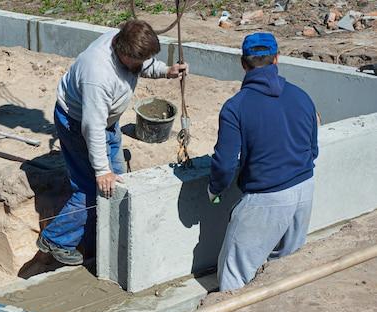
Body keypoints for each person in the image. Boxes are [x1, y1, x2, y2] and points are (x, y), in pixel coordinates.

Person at [37, 19, 189, 265]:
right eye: (138, 61)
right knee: (91, 186)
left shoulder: (126, 44)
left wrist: (166, 70)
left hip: (107, 122)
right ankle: (57, 239)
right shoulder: (97, 74)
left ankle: (99, 240)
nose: (141, 65)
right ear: (123, 52)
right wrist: (101, 170)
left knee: (117, 181)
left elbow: (144, 64)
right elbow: (91, 127)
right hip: (77, 123)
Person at [208, 33, 319, 291]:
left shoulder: (236, 107)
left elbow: (225, 164)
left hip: (266, 197)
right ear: (277, 59)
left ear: (243, 63)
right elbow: (313, 149)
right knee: (286, 266)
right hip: (305, 188)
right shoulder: (302, 96)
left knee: (235, 273)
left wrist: (214, 189)